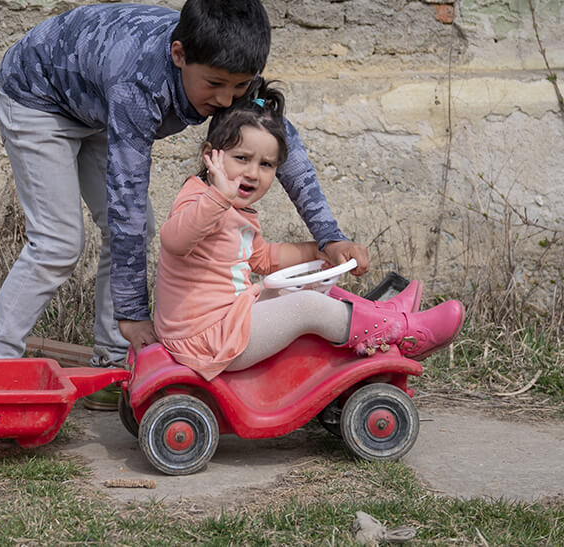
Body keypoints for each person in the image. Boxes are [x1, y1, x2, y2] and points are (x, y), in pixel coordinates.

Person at [0, 0, 371, 408]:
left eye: (238, 88)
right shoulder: (138, 84)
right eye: (215, 85)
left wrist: (329, 236)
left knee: (134, 226)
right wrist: (133, 314)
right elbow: (126, 198)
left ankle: (114, 361)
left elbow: (281, 144)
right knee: (59, 242)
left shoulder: (229, 73)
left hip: (94, 103)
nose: (225, 101)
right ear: (179, 54)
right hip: (37, 97)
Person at [153, 79, 464, 380]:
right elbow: (174, 241)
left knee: (309, 289)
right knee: (307, 306)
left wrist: (321, 250)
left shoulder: (234, 208)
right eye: (242, 158)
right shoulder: (199, 199)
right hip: (205, 337)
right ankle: (402, 333)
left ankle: (386, 315)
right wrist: (217, 197)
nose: (252, 173)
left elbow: (262, 257)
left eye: (266, 165)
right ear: (211, 156)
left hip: (226, 320)